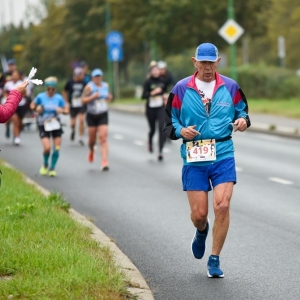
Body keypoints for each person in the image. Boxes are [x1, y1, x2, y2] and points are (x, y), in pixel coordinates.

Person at [163, 43, 251, 278]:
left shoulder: (230, 87)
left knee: (222, 206)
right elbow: (168, 125)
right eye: (203, 62)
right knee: (200, 215)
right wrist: (181, 131)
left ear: (218, 62)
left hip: (223, 153)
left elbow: (243, 112)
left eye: (211, 62)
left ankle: (214, 258)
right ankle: (201, 231)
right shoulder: (181, 89)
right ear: (195, 62)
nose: (208, 67)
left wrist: (243, 121)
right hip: (194, 156)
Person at [30, 77, 68, 177]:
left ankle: (52, 168)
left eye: (53, 89)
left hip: (55, 124)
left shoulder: (59, 98)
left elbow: (66, 110)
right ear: (46, 89)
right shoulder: (40, 96)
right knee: (47, 148)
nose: (51, 91)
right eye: (48, 89)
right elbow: (32, 105)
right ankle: (45, 164)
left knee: (57, 148)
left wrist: (62, 111)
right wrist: (36, 108)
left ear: (55, 89)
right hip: (43, 124)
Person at [81, 68, 113, 171]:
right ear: (92, 77)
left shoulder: (105, 85)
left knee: (103, 138)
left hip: (103, 114)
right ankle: (91, 150)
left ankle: (104, 161)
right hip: (92, 115)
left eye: (99, 76)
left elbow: (108, 96)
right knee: (92, 140)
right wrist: (93, 97)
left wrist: (109, 98)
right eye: (96, 76)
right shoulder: (89, 87)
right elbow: (83, 100)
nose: (98, 78)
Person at [142, 64, 167, 161]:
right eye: (154, 70)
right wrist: (153, 93)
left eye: (157, 70)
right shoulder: (148, 82)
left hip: (160, 107)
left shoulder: (163, 81)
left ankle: (160, 150)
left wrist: (164, 96)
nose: (156, 72)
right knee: (152, 129)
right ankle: (150, 141)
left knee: (162, 128)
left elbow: (165, 91)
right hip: (150, 108)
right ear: (151, 72)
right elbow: (143, 96)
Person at [62, 67, 86, 145]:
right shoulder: (70, 82)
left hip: (81, 104)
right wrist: (66, 102)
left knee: (82, 120)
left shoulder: (83, 83)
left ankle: (80, 138)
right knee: (73, 123)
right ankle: (73, 130)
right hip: (72, 104)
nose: (82, 76)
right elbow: (64, 91)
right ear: (76, 75)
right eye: (80, 74)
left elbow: (87, 91)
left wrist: (85, 99)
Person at [3, 70, 28, 145]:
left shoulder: (22, 83)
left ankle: (16, 134)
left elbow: (26, 94)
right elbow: (4, 91)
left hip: (21, 104)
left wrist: (21, 93)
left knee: (20, 123)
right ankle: (17, 138)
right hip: (12, 104)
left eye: (16, 75)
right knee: (15, 121)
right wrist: (7, 97)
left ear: (19, 76)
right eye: (13, 75)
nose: (14, 77)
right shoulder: (8, 84)